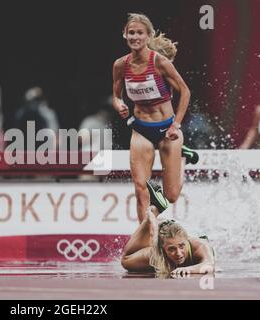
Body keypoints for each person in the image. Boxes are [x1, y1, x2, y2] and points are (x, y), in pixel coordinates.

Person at [112, 13, 196, 223]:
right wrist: (119, 104)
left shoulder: (160, 63)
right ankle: (146, 243)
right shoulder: (120, 65)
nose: (135, 37)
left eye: (140, 33)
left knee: (172, 195)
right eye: (131, 33)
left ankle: (182, 157)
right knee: (141, 189)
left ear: (148, 36)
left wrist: (176, 125)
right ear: (125, 35)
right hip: (141, 130)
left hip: (168, 131)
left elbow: (185, 92)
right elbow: (116, 94)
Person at [121, 208, 215, 276]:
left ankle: (154, 222)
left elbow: (210, 265)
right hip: (159, 251)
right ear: (162, 248)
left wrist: (189, 269)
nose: (178, 253)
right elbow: (125, 260)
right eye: (172, 249)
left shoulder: (200, 245)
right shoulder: (157, 253)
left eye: (182, 246)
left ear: (187, 240)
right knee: (126, 261)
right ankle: (148, 219)